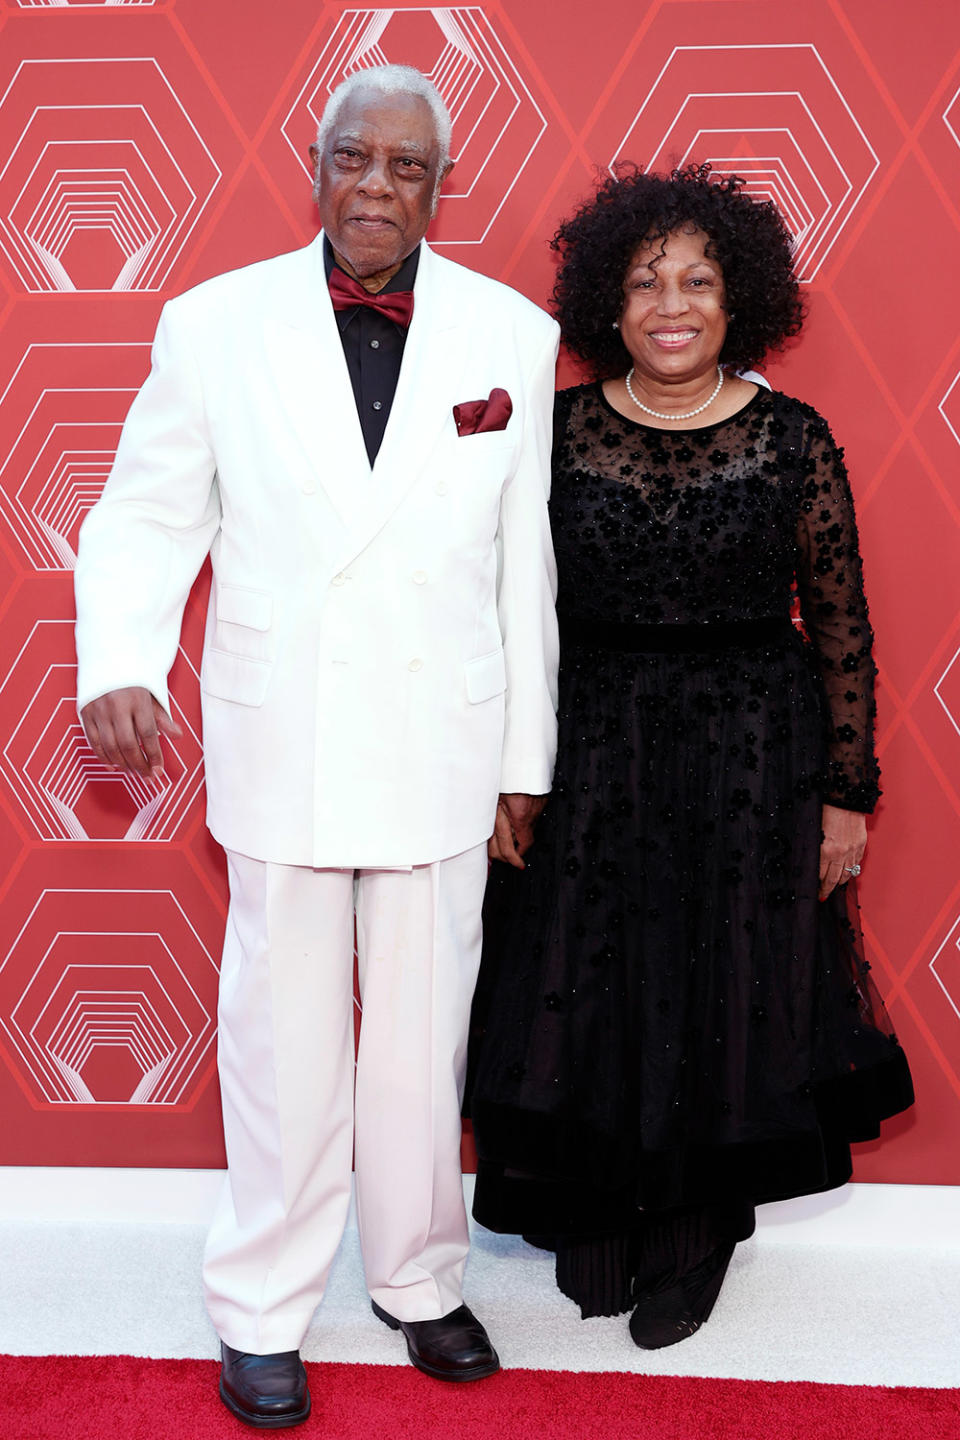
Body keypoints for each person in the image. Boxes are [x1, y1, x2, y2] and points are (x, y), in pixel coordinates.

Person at [74, 65, 559, 1428]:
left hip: (442, 738)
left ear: (441, 186)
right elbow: (148, 514)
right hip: (283, 725)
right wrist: (119, 659)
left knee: (423, 1038)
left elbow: (524, 569)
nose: (379, 188)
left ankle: (417, 1276)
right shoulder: (212, 324)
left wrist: (526, 757)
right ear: (318, 161)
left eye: (410, 168)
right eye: (358, 159)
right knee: (280, 1037)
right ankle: (264, 1304)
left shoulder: (511, 337)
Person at [467, 165, 913, 1351]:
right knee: (594, 969)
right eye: (646, 281)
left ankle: (695, 1221)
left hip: (751, 752)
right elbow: (506, 607)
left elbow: (843, 624)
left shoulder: (792, 439)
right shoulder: (554, 434)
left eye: (701, 280)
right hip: (593, 743)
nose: (673, 302)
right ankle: (602, 1201)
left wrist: (845, 794)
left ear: (739, 303)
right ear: (605, 307)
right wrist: (509, 769)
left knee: (723, 977)